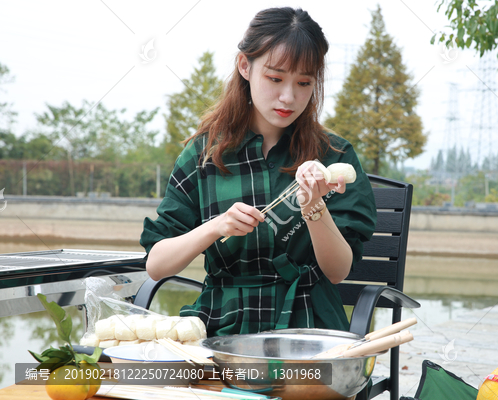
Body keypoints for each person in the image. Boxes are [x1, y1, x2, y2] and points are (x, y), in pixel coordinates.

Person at [140, 7, 377, 337]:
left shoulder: (332, 155)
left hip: (308, 330)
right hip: (223, 331)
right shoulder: (203, 155)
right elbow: (157, 264)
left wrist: (313, 207)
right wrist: (217, 226)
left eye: (304, 83)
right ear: (245, 66)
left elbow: (337, 272)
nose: (288, 97)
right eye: (275, 78)